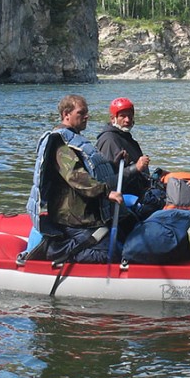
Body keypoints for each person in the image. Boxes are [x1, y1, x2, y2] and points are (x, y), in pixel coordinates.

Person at [25, 94, 125, 264]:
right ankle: (55, 249)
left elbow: (90, 168)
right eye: (81, 112)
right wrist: (106, 192)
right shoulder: (61, 143)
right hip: (72, 218)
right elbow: (76, 176)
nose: (87, 116)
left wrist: (114, 164)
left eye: (87, 112)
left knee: (122, 235)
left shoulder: (74, 139)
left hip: (84, 213)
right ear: (66, 114)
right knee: (111, 253)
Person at [95, 97, 153, 198]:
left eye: (130, 116)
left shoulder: (126, 138)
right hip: (124, 199)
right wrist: (136, 168)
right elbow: (107, 180)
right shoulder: (109, 141)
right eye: (123, 116)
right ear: (113, 118)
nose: (127, 120)